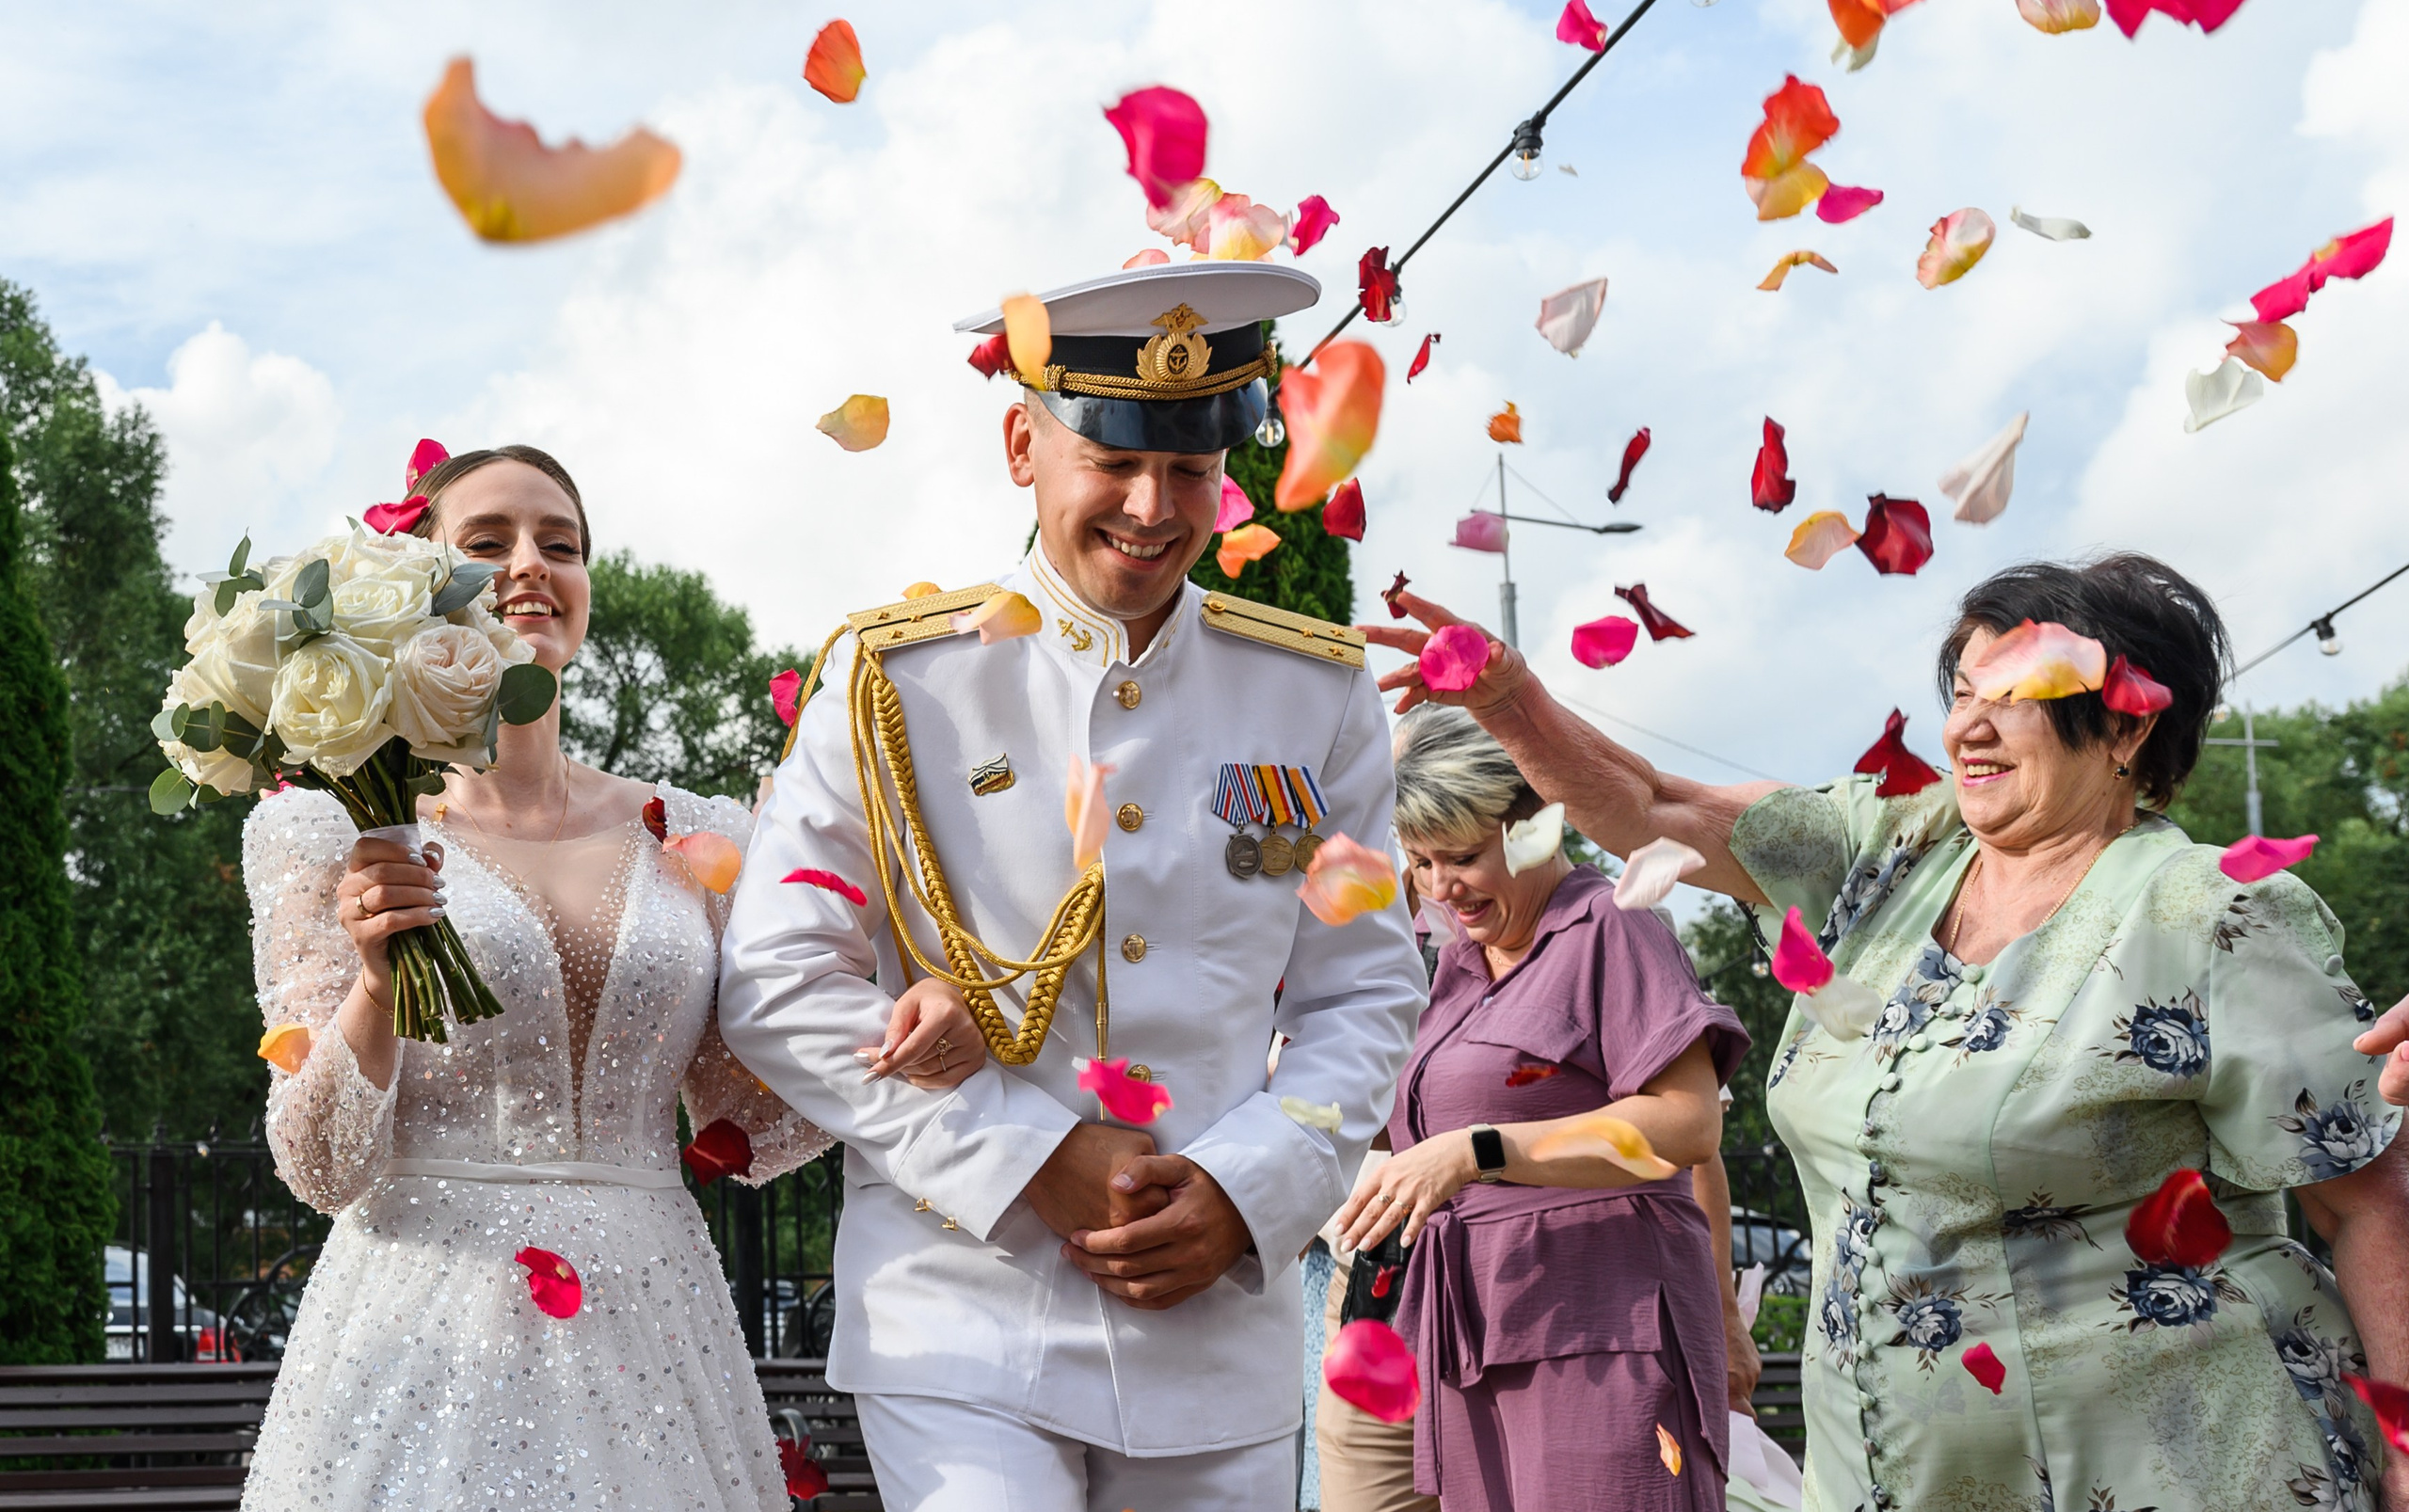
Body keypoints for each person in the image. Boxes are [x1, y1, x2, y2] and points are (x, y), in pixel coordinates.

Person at [1366, 555, 2409, 1512]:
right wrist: (1510, 702)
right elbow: (1648, 803)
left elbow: (2366, 1197)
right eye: (1961, 692)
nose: (1969, 727)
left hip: (2175, 1464)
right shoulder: (1888, 847)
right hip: (1888, 1469)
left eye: (2017, 697)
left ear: (2127, 727)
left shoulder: (2213, 910)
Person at [716, 261, 1429, 1512]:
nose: (1153, 505)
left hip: (1215, 1320)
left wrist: (1245, 1188)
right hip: (961, 1303)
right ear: (1021, 444)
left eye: (1192, 467)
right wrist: (1031, 1152)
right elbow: (777, 976)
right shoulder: (899, 683)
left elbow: (1362, 993)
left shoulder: (1312, 696)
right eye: (1112, 457)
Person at [240, 445, 980, 1511]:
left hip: (653, 1325)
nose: (532, 563)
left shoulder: (702, 834)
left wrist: (919, 1004)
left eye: (562, 543)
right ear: (414, 585)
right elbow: (319, 1162)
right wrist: (372, 977)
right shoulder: (333, 828)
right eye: (487, 542)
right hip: (418, 1330)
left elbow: (762, 1096)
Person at [1332, 705, 1747, 1511]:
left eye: (1461, 856)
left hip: (1602, 1339)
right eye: (1419, 862)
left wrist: (1479, 1150)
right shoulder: (1453, 965)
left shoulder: (1612, 927)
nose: (1439, 885)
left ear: (1534, 829)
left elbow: (1689, 1124)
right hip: (1475, 1339)